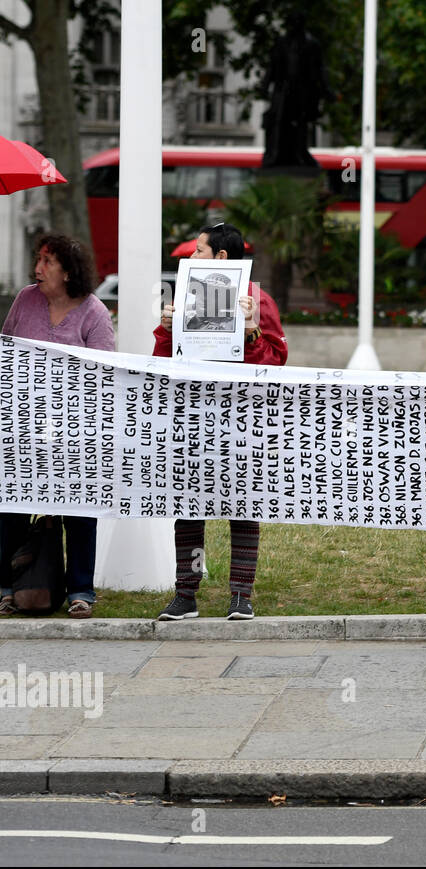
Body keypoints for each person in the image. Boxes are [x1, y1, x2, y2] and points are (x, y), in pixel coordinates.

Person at [154, 222, 288, 621]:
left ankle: (240, 595)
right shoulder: (184, 300)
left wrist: (251, 333)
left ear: (221, 258)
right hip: (193, 416)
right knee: (189, 506)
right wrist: (164, 331)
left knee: (243, 504)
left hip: (242, 419)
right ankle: (186, 594)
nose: (190, 257)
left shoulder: (258, 301)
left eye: (198, 251)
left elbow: (277, 363)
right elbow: (162, 363)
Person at [0, 234, 115, 618]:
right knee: (13, 506)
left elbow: (103, 374)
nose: (38, 269)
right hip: (25, 427)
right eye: (39, 260)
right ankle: (7, 586)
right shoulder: (25, 300)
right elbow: (8, 352)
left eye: (48, 262)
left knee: (79, 509)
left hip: (74, 430)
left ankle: (81, 590)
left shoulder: (94, 312)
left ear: (68, 271)